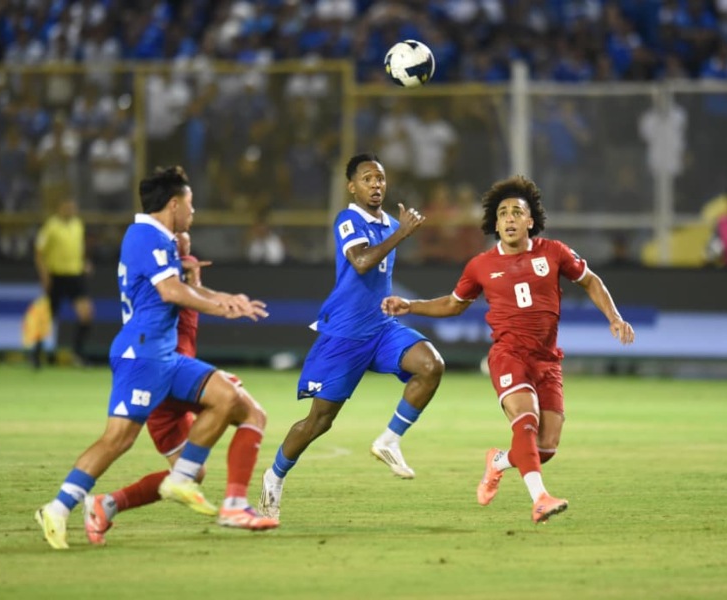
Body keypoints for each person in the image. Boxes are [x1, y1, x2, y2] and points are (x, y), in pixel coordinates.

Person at [35, 166, 276, 550]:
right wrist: (220, 305)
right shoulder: (145, 235)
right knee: (117, 440)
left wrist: (224, 300)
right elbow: (171, 292)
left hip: (164, 353)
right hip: (142, 354)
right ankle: (59, 507)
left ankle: (191, 483)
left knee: (229, 398)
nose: (193, 213)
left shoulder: (159, 239)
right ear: (174, 203)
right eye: (191, 205)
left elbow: (180, 288)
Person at [381, 175, 635, 524]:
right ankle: (540, 498)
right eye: (503, 213)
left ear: (530, 221)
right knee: (525, 420)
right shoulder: (481, 265)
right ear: (495, 223)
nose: (510, 218)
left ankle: (498, 461)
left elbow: (591, 280)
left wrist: (614, 317)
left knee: (545, 447)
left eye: (518, 212)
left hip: (547, 360)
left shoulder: (555, 252)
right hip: (508, 355)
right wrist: (410, 306)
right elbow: (454, 305)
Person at [258, 152, 445, 520]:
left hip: (381, 328)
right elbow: (361, 262)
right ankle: (274, 475)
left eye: (380, 179)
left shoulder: (390, 222)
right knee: (319, 421)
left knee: (431, 364)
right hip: (344, 335)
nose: (375, 185)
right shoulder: (348, 219)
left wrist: (398, 232)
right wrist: (401, 234)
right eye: (367, 179)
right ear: (352, 186)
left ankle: (389, 439)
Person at [82, 231, 277, 545]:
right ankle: (235, 504)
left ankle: (106, 505)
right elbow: (191, 294)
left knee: (190, 473)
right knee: (250, 412)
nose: (195, 272)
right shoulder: (174, 289)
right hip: (170, 380)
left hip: (165, 388)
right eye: (189, 267)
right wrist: (222, 301)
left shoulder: (169, 284)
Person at [33, 198, 94, 367]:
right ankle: (36, 354)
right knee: (49, 317)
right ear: (60, 208)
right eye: (67, 207)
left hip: (75, 276)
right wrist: (45, 276)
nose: (70, 210)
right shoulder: (50, 226)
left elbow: (79, 249)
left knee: (86, 315)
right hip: (57, 276)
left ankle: (77, 353)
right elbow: (39, 253)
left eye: (73, 207)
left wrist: (84, 263)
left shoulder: (78, 225)